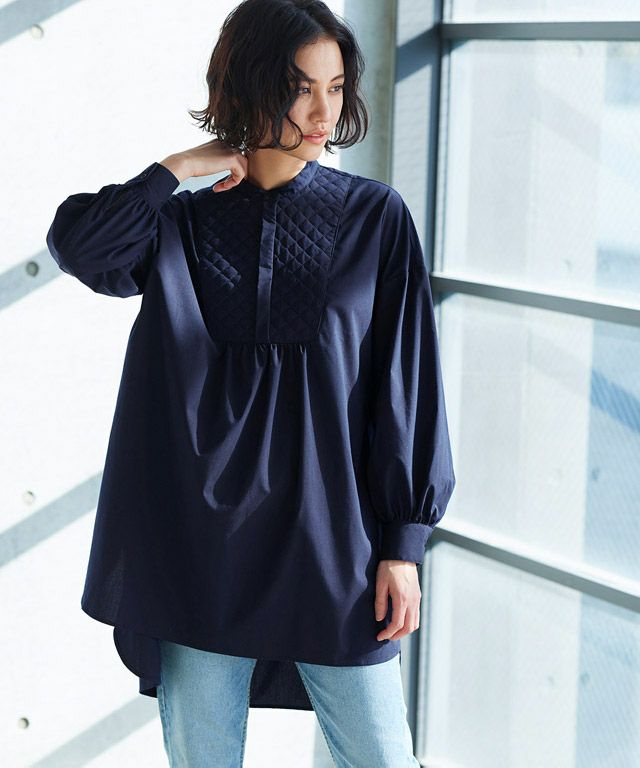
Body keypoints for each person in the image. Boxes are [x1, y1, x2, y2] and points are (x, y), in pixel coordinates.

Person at [45, 0, 456, 765]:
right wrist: (177, 169)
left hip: (333, 546)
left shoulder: (375, 219)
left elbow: (407, 386)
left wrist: (403, 545)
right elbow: (80, 246)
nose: (323, 112)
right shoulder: (180, 223)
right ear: (250, 87)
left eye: (336, 87)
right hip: (197, 552)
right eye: (301, 89)